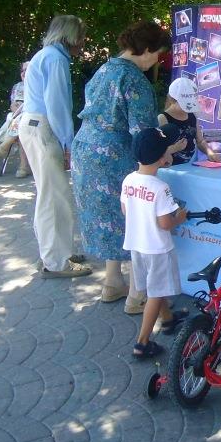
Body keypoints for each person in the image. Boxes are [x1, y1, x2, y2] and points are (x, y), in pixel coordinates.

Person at [72, 20, 171, 309]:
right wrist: (164, 152)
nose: (157, 61)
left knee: (109, 218)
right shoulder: (135, 80)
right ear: (147, 49)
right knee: (134, 218)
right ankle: (137, 295)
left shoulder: (105, 69)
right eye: (157, 55)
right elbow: (143, 133)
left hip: (85, 149)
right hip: (113, 154)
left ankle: (112, 282)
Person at [20, 15, 93, 278]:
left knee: (50, 194)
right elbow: (58, 106)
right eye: (81, 37)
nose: (83, 43)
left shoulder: (46, 55)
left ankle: (57, 253)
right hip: (44, 128)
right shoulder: (56, 59)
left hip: (33, 125)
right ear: (70, 36)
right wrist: (68, 143)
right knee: (54, 197)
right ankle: (56, 262)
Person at [121, 125, 190, 359]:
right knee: (156, 293)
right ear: (163, 158)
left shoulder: (129, 179)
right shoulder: (161, 188)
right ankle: (142, 342)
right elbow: (165, 223)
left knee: (154, 288)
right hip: (158, 249)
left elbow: (125, 209)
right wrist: (180, 217)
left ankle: (168, 320)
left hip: (136, 245)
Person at [159, 76, 221, 165]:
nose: (188, 108)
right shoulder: (163, 118)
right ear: (172, 100)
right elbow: (157, 150)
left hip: (190, 165)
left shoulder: (192, 116)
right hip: (169, 167)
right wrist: (174, 148)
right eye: (185, 105)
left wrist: (209, 152)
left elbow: (200, 141)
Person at [0, 61, 32, 177]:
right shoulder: (17, 86)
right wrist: (15, 107)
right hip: (17, 116)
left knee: (22, 121)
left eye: (27, 70)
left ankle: (4, 147)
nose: (24, 73)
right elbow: (12, 104)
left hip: (33, 118)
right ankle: (23, 166)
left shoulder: (38, 85)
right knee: (20, 126)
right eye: (22, 70)